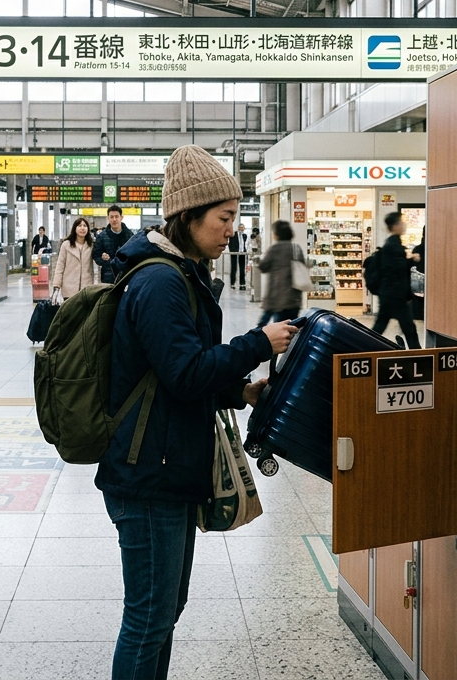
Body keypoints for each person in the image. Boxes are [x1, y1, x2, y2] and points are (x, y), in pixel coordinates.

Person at [96, 144, 297, 679]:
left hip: (166, 466)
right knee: (148, 619)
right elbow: (183, 374)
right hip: (148, 475)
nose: (232, 228)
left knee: (163, 614)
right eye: (224, 217)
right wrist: (260, 343)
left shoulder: (176, 273)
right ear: (189, 216)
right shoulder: (160, 280)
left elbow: (173, 374)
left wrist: (238, 392)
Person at [372, 212, 421, 349]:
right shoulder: (393, 245)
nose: (403, 225)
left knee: (381, 326)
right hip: (395, 295)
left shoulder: (392, 243)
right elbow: (397, 268)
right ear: (394, 226)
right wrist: (412, 260)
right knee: (409, 328)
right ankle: (419, 357)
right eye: (401, 222)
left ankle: (364, 349)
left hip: (390, 293)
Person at [257, 220, 305, 327]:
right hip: (294, 297)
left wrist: (258, 261)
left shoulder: (274, 249)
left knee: (275, 326)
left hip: (277, 297)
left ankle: (258, 340)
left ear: (277, 234)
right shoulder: (296, 248)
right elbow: (302, 266)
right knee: (291, 328)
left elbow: (263, 267)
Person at [52, 217, 96, 300]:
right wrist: (56, 286)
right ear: (74, 228)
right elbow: (60, 266)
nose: (82, 228)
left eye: (85, 226)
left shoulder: (91, 245)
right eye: (79, 225)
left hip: (86, 289)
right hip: (69, 289)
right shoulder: (66, 245)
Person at [92, 206, 134, 283]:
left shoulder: (130, 236)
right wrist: (103, 259)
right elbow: (96, 255)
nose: (114, 219)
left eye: (116, 216)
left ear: (121, 217)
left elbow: (134, 255)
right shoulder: (102, 237)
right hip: (108, 277)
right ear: (108, 218)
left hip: (126, 276)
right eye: (111, 217)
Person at [227, 222, 246, 289]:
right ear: (238, 228)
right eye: (240, 227)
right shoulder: (234, 234)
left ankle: (242, 284)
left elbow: (245, 244)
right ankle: (232, 283)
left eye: (243, 228)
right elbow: (230, 243)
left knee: (242, 268)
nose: (241, 229)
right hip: (234, 253)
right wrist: (232, 251)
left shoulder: (245, 235)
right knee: (234, 268)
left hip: (242, 253)